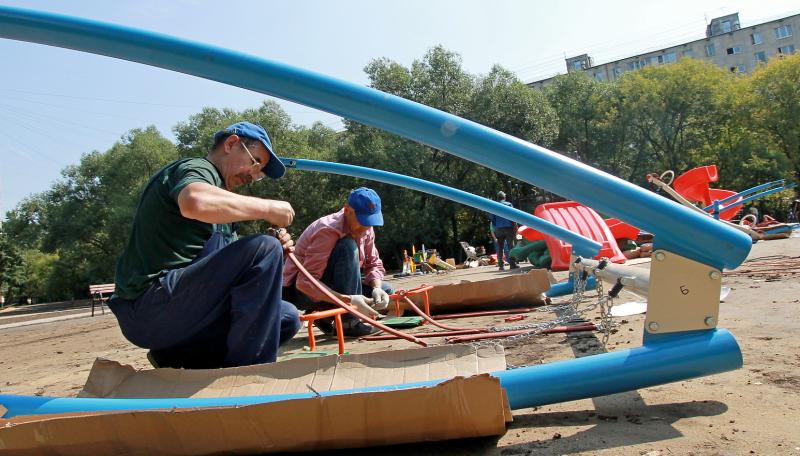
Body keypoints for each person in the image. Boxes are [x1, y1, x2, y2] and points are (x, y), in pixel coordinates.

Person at [109, 121, 301, 369]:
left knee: (285, 317)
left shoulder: (222, 208)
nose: (253, 176)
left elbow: (226, 274)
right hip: (148, 307)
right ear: (231, 144)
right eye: (255, 162)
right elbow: (194, 201)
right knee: (264, 249)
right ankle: (248, 376)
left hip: (181, 313)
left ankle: (178, 356)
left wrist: (272, 252)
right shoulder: (198, 169)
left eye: (259, 173)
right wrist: (268, 208)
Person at [283, 187, 393, 337]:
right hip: (298, 292)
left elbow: (373, 263)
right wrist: (349, 300)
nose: (365, 228)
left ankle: (325, 314)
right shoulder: (327, 229)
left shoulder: (367, 228)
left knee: (385, 291)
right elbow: (305, 283)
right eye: (361, 221)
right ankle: (349, 323)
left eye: (369, 222)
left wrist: (376, 287)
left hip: (329, 286)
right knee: (348, 247)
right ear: (347, 210)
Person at [489, 191, 519, 271]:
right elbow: (513, 216)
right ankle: (512, 264)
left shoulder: (494, 206)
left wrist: (498, 226)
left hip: (499, 229)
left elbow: (493, 220)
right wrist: (515, 226)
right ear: (504, 197)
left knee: (500, 248)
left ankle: (501, 266)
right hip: (509, 228)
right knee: (510, 246)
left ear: (498, 198)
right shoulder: (509, 204)